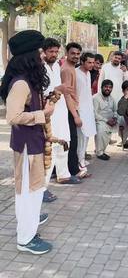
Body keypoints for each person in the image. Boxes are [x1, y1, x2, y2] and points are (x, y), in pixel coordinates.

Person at [0, 30, 54, 254]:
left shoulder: (29, 80)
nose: (43, 56)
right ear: (29, 55)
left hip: (34, 143)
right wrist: (42, 114)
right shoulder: (21, 83)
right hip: (26, 147)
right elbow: (12, 117)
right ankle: (25, 239)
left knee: (34, 191)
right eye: (40, 51)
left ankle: (30, 229)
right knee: (26, 193)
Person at [43, 38, 81, 203]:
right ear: (44, 52)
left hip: (61, 111)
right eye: (50, 51)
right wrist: (59, 89)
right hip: (48, 114)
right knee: (48, 149)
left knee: (64, 142)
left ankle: (63, 175)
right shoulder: (40, 68)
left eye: (55, 51)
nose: (53, 54)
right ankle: (42, 188)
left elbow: (61, 91)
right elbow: (42, 92)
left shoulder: (57, 66)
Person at [61, 42, 84, 177]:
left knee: (72, 140)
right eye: (73, 53)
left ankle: (71, 169)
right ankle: (73, 171)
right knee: (72, 141)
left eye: (77, 54)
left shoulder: (71, 68)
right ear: (67, 53)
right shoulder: (66, 70)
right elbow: (67, 94)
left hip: (72, 108)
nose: (75, 56)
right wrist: (75, 115)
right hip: (68, 110)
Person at [76, 52, 97, 171]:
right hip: (79, 110)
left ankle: (82, 158)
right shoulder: (75, 73)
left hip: (88, 109)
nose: (92, 64)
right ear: (82, 62)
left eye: (93, 62)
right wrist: (76, 112)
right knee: (81, 136)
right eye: (89, 62)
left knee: (87, 135)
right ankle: (79, 161)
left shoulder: (88, 73)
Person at [93, 80, 118, 160]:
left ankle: (100, 150)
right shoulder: (96, 98)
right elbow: (95, 113)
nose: (108, 89)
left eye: (110, 87)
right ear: (101, 87)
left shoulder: (112, 98)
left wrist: (114, 118)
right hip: (99, 120)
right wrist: (106, 120)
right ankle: (99, 153)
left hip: (110, 121)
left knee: (121, 121)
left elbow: (115, 110)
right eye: (106, 87)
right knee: (101, 130)